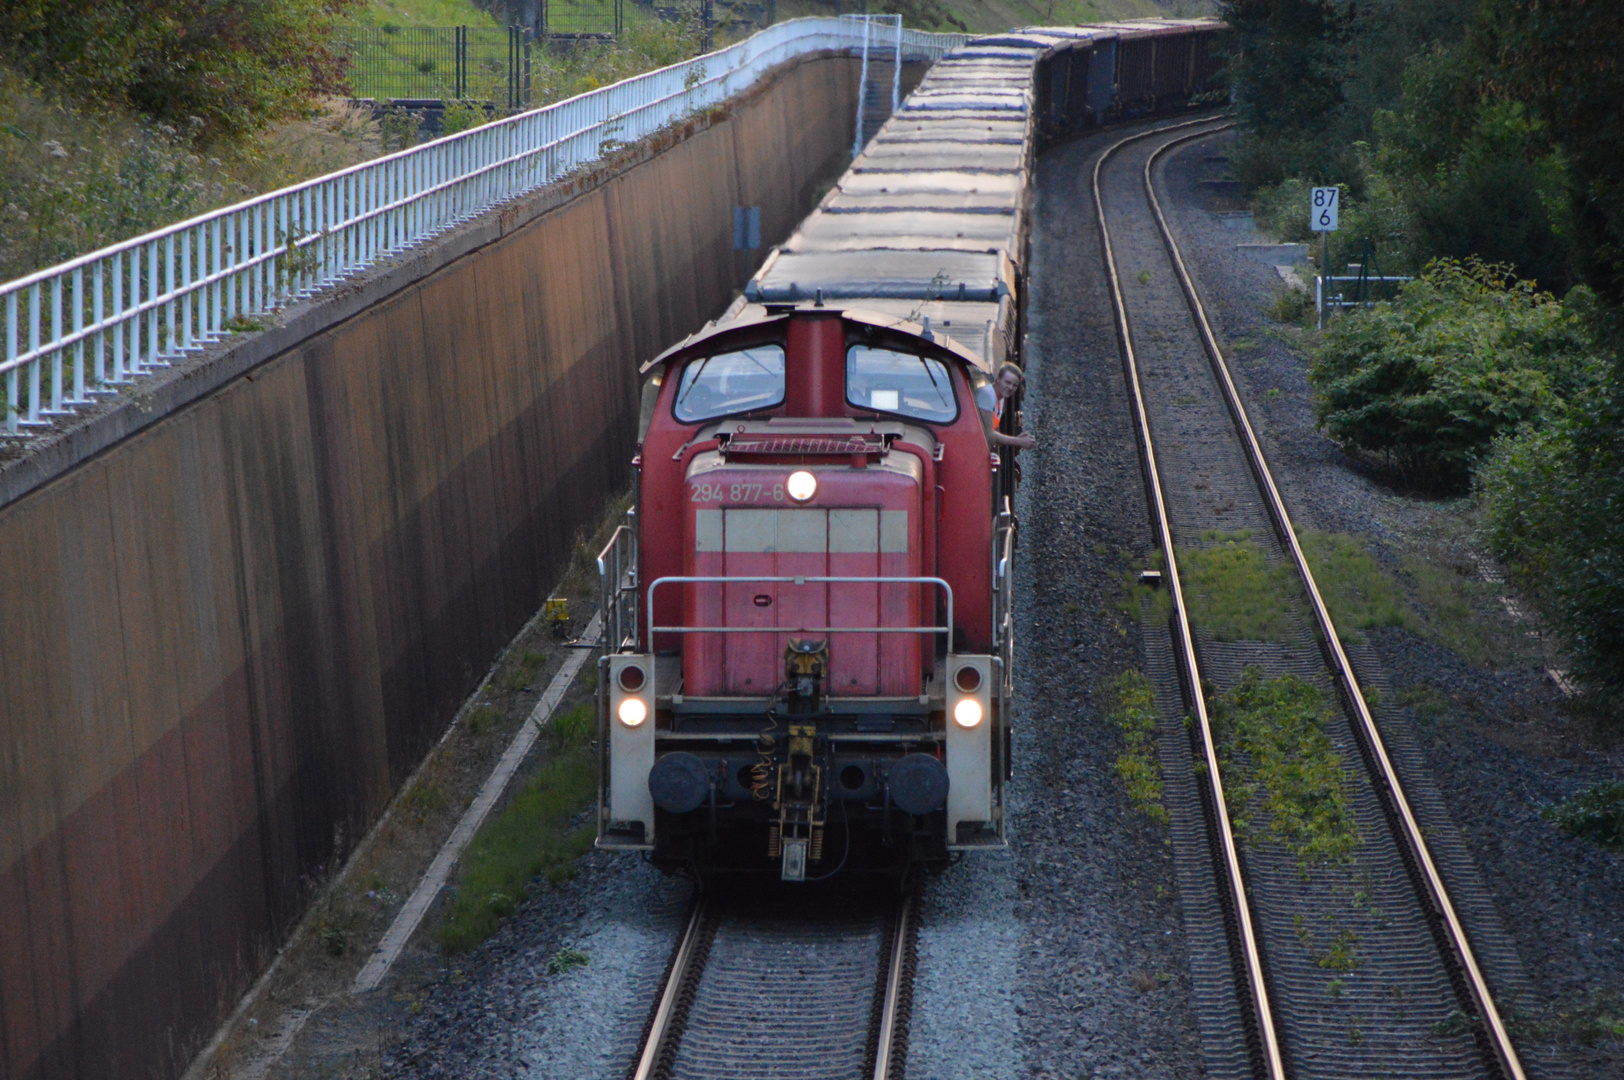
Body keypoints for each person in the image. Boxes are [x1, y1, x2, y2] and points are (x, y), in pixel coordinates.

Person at [975, 362, 1036, 449]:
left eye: (1015, 385)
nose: (1010, 387)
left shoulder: (1001, 398)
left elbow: (994, 434)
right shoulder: (986, 395)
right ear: (998, 378)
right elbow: (989, 436)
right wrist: (1019, 441)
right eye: (1007, 382)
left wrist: (1018, 439)